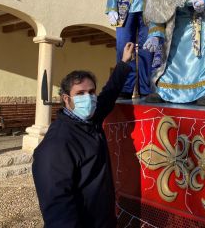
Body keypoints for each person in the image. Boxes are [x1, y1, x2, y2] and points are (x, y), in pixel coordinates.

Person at [32, 43, 134, 228]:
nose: (88, 98)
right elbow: (58, 209)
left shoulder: (89, 120)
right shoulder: (57, 144)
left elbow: (109, 93)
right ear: (66, 98)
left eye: (91, 92)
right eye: (80, 93)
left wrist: (124, 63)